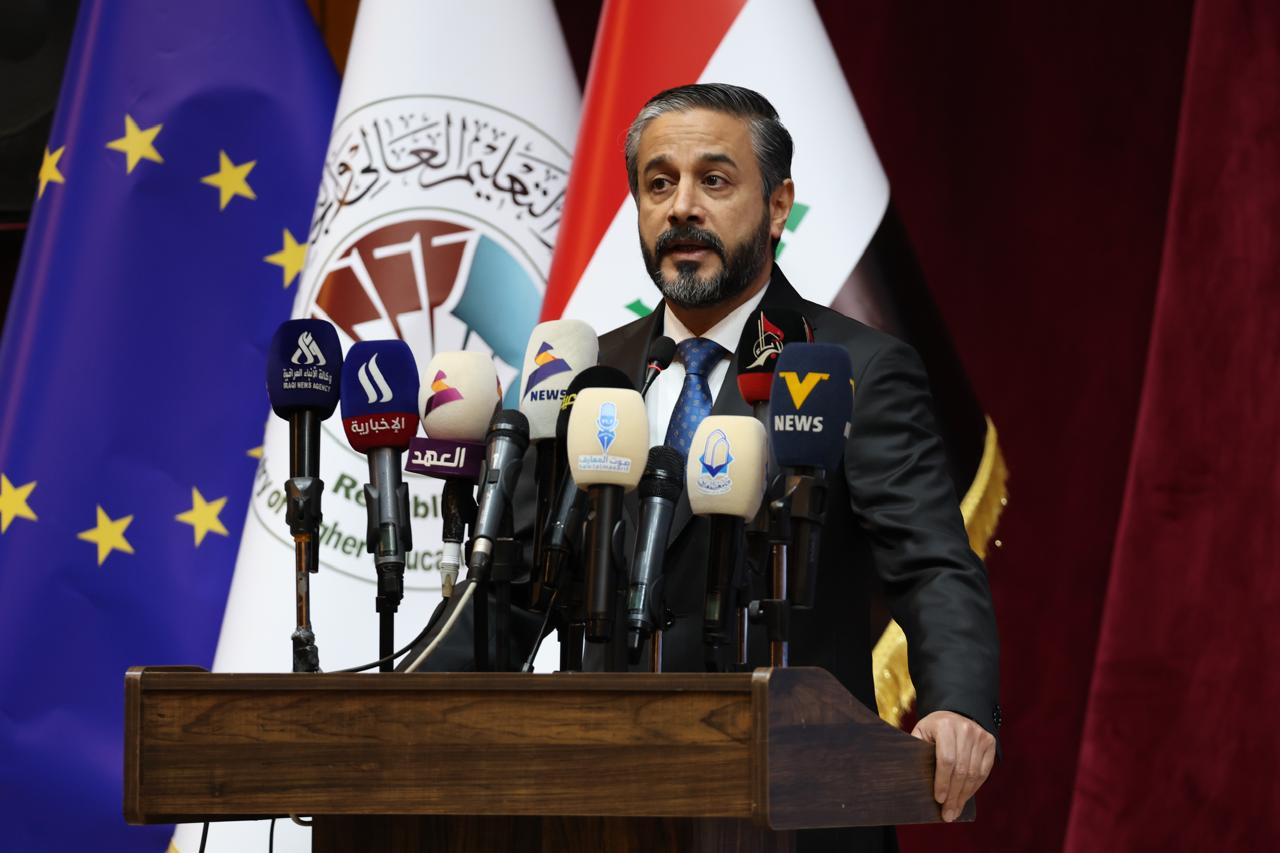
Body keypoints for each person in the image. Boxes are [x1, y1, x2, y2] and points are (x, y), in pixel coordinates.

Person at [596, 83, 1000, 852]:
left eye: (714, 180)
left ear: (778, 206)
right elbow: (508, 591)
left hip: (794, 808)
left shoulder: (853, 366)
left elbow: (932, 566)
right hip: (603, 809)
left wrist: (963, 704)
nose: (682, 207)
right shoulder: (593, 375)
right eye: (659, 183)